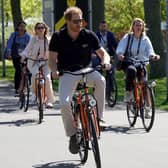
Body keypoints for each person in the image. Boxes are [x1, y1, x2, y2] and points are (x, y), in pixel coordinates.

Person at [48, 7, 111, 154]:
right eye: (76, 21)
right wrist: (54, 71)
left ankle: (100, 118)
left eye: (81, 21)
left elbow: (103, 54)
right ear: (68, 21)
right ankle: (72, 134)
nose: (80, 24)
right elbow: (51, 59)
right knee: (64, 103)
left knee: (101, 80)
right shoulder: (58, 37)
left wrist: (105, 61)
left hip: (86, 71)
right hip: (67, 73)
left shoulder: (88, 35)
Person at [116, 18, 160, 102]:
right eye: (137, 25)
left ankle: (148, 107)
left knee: (144, 83)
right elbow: (120, 48)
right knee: (131, 70)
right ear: (133, 27)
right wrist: (120, 54)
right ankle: (128, 92)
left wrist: (153, 56)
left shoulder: (145, 39)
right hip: (128, 62)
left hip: (141, 63)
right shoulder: (128, 37)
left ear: (143, 27)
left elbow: (150, 50)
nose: (138, 27)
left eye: (140, 25)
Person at [20, 22, 55, 108]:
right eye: (38, 28)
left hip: (46, 62)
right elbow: (27, 49)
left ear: (45, 29)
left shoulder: (49, 40)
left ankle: (49, 100)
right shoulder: (33, 39)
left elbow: (53, 51)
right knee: (35, 75)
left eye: (42, 28)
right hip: (34, 61)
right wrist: (23, 56)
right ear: (36, 30)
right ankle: (34, 93)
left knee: (47, 78)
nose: (40, 29)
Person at [6, 21, 30, 96]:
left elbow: (30, 46)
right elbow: (9, 44)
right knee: (18, 70)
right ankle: (17, 88)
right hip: (16, 56)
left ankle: (27, 87)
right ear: (18, 27)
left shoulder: (27, 36)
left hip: (25, 56)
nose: (22, 28)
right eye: (21, 26)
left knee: (28, 70)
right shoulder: (14, 35)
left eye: (24, 26)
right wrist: (9, 53)